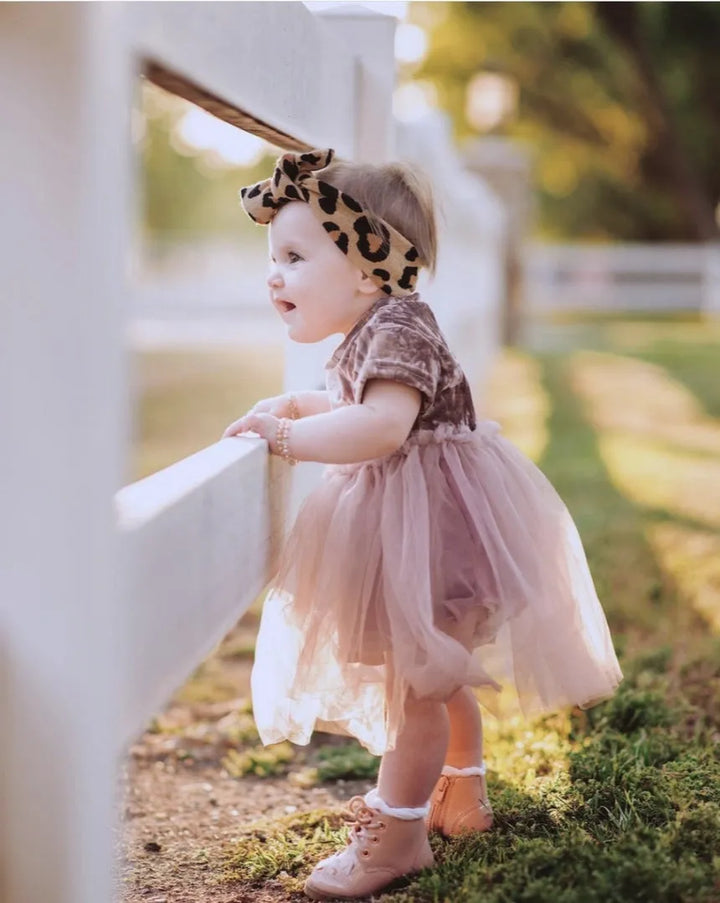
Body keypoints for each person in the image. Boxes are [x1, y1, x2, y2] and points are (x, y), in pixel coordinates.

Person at [222, 148, 622, 901]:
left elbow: (378, 429)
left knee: (414, 685)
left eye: (296, 256)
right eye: (273, 256)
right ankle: (459, 793)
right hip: (427, 512)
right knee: (433, 668)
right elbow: (358, 407)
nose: (274, 273)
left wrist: (282, 439)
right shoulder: (382, 325)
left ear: (369, 268)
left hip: (431, 521)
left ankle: (397, 830)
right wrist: (300, 407)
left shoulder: (398, 329)